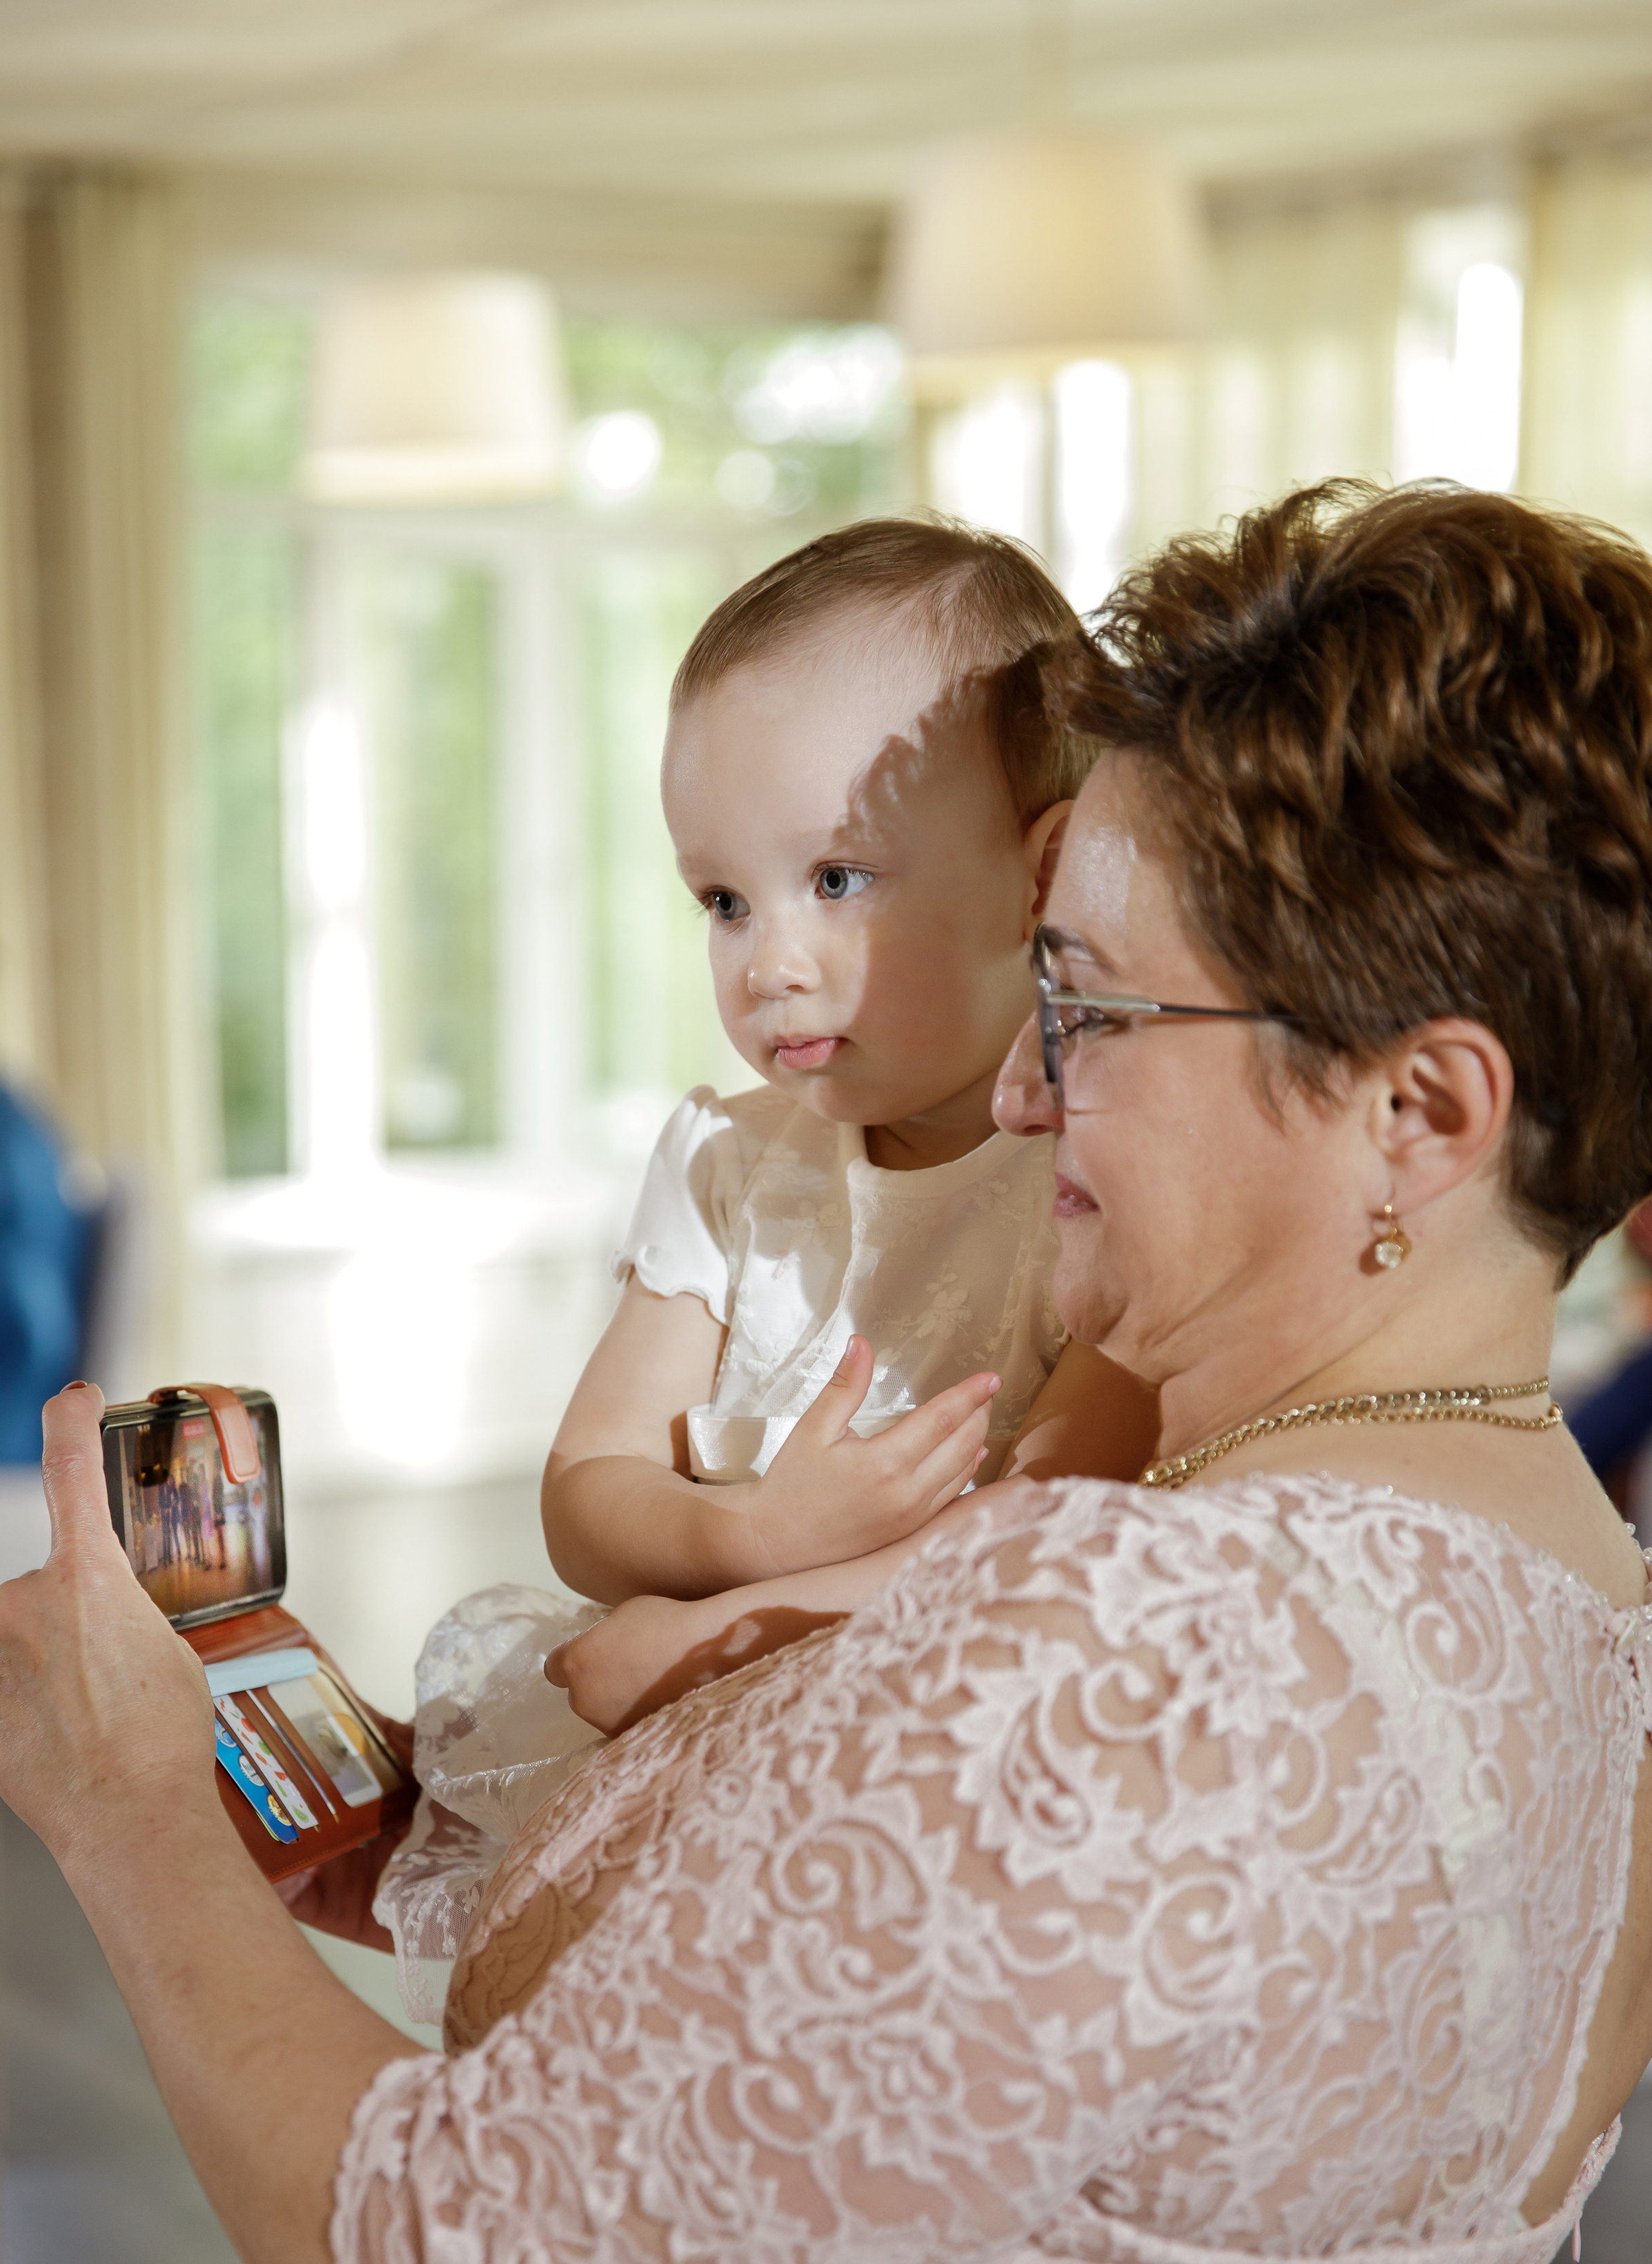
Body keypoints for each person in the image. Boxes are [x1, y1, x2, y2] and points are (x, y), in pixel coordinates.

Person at [0, 478, 1652, 2264]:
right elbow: (938, 2045)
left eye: (1100, 1007)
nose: (1028, 1098)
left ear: (1419, 1113)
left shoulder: (1139, 1640)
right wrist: (406, 1849)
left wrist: (126, 1821)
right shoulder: (1583, 1626)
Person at [378, 518, 1158, 2011]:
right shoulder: (731, 1168)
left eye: (840, 878)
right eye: (723, 900)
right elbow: (588, 1492)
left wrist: (724, 1635)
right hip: (688, 1775)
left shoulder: (1095, 1174)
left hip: (946, 1811)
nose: (766, 962)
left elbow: (1051, 1535)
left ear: (1039, 868)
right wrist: (743, 1538)